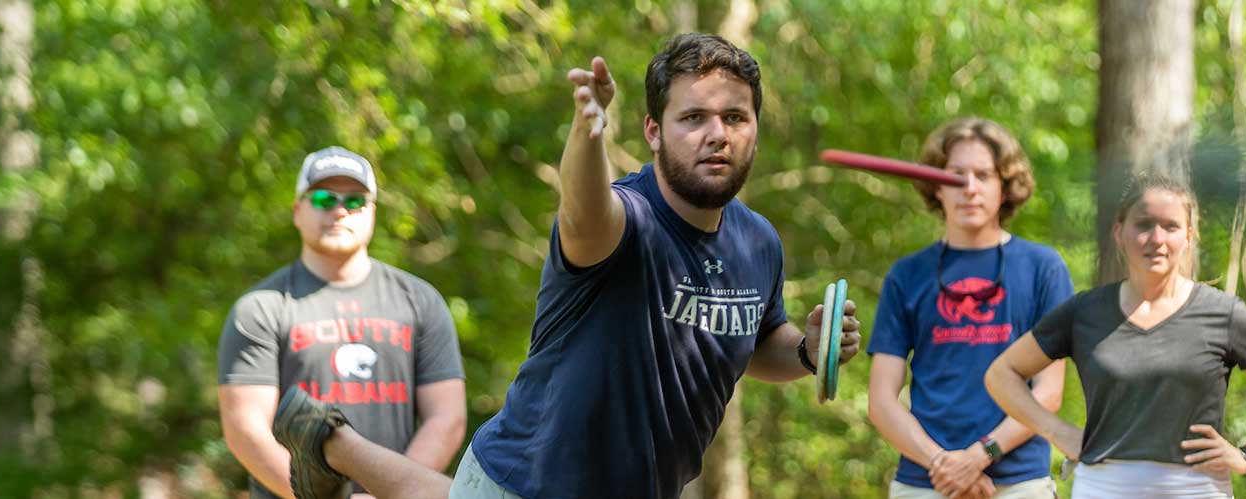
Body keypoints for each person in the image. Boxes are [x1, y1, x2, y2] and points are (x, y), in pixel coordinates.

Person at [262, 33, 864, 499]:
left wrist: (808, 350)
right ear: (653, 132)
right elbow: (582, 214)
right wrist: (588, 133)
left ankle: (326, 439)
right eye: (693, 118)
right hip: (530, 479)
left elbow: (755, 343)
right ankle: (332, 442)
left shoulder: (758, 243)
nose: (717, 134)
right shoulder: (628, 220)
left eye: (735, 117)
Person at [984, 173, 1246, 498]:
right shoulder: (1084, 312)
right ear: (1119, 232)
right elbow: (1001, 374)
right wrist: (1058, 432)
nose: (1156, 238)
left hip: (1197, 487)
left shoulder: (1223, 313)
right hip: (1104, 486)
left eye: (1171, 227)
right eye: (1143, 224)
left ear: (1189, 236)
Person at [217, 146, 469, 499]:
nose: (339, 211)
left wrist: (392, 493)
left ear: (372, 213)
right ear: (297, 210)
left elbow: (447, 418)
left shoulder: (419, 300)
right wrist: (319, 496)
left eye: (354, 202)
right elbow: (245, 429)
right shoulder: (261, 308)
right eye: (323, 198)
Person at [865, 117, 1071, 499]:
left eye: (983, 175)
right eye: (955, 175)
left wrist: (979, 456)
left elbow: (1048, 392)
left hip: (1018, 482)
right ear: (936, 186)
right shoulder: (907, 275)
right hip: (924, 482)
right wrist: (944, 463)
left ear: (1005, 187)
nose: (969, 188)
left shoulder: (1044, 268)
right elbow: (880, 400)